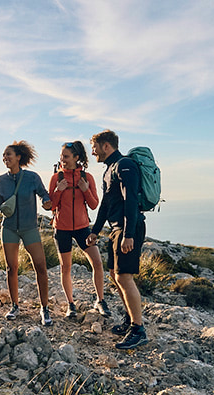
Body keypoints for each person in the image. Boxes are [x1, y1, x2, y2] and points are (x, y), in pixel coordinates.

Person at [86, 130, 148, 350]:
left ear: (105, 146)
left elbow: (130, 200)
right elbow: (105, 204)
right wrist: (95, 230)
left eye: (94, 147)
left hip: (126, 228)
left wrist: (128, 234)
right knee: (115, 275)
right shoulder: (109, 170)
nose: (92, 152)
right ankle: (131, 320)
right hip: (115, 229)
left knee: (123, 277)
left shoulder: (125, 165)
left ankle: (138, 330)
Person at [0, 141, 54, 326]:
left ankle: (44, 308)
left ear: (18, 157)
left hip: (29, 227)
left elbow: (43, 194)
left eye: (8, 155)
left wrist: (47, 202)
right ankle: (15, 306)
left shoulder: (32, 177)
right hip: (9, 228)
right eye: (4, 156)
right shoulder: (1, 180)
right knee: (11, 268)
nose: (5, 158)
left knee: (40, 266)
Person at [48, 141, 110, 319]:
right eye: (61, 156)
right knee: (65, 267)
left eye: (66, 157)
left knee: (97, 264)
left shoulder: (87, 178)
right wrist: (59, 191)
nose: (63, 160)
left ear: (77, 158)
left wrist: (85, 190)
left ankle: (100, 300)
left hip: (83, 227)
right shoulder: (56, 178)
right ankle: (71, 305)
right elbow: (51, 206)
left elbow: (94, 204)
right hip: (62, 229)